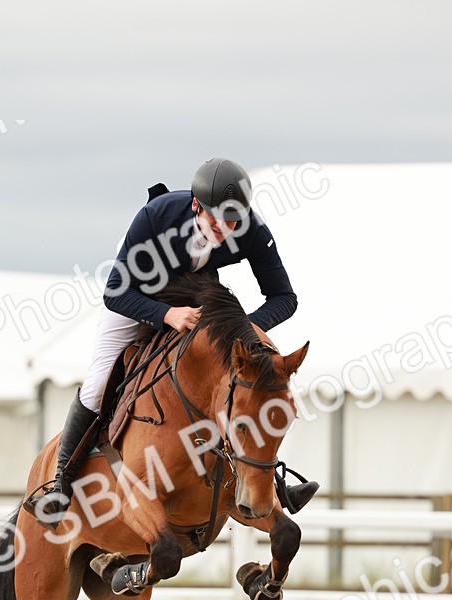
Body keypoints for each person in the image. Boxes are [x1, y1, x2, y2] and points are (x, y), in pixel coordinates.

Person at [36, 156, 318, 524]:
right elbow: (115, 294)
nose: (223, 228)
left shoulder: (251, 230)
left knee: (246, 386)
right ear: (196, 205)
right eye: (215, 218)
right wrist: (165, 315)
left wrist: (239, 329)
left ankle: (272, 482)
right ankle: (61, 481)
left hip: (195, 293)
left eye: (232, 220)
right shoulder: (156, 218)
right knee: (97, 382)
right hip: (137, 294)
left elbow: (284, 298)